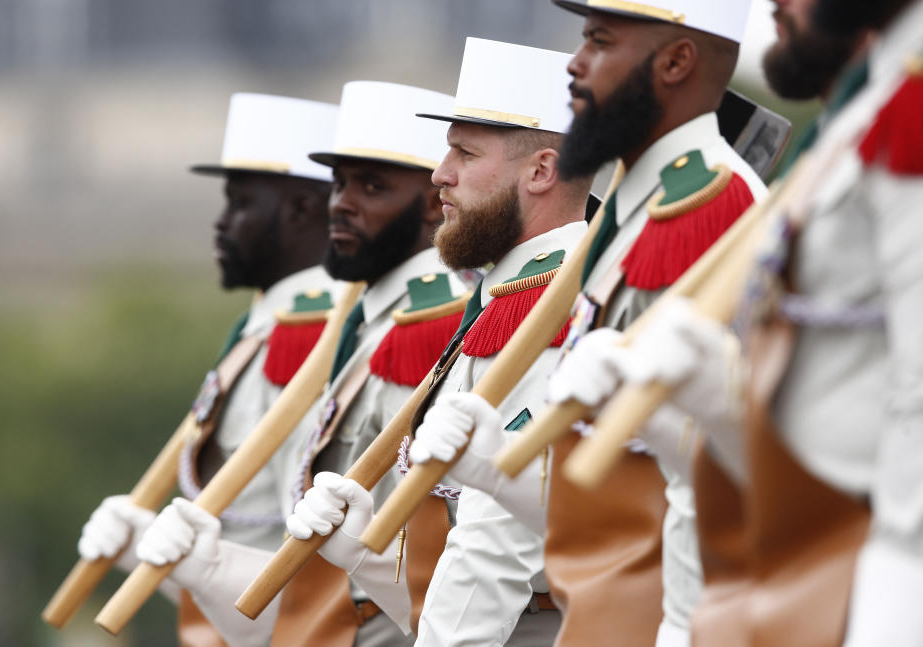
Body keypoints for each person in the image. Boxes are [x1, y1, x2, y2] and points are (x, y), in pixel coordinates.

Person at [571, 0, 923, 645]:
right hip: (791, 569)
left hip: (862, 571)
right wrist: (716, 405)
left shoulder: (908, 99)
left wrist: (905, 564)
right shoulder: (871, 102)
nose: (773, 5)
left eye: (599, 39)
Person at [136, 81, 472, 647]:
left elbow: (426, 533)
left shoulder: (426, 328)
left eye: (372, 186)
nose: (339, 202)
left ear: (433, 202)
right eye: (338, 184)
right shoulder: (363, 325)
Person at [287, 38, 596, 646]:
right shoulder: (507, 296)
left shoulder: (553, 302)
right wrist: (367, 557)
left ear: (540, 171)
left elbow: (500, 546)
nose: (439, 175)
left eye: (464, 152)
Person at [541, 1, 769, 645]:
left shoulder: (710, 205)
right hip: (599, 607)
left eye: (600, 41)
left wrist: (687, 625)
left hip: (663, 612)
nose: (574, 62)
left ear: (675, 61)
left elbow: (717, 461)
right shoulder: (638, 201)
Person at [74, 92, 340, 643]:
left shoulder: (309, 333)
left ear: (301, 210)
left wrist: (201, 562)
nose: (220, 225)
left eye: (241, 204)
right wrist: (154, 550)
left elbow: (300, 544)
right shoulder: (263, 326)